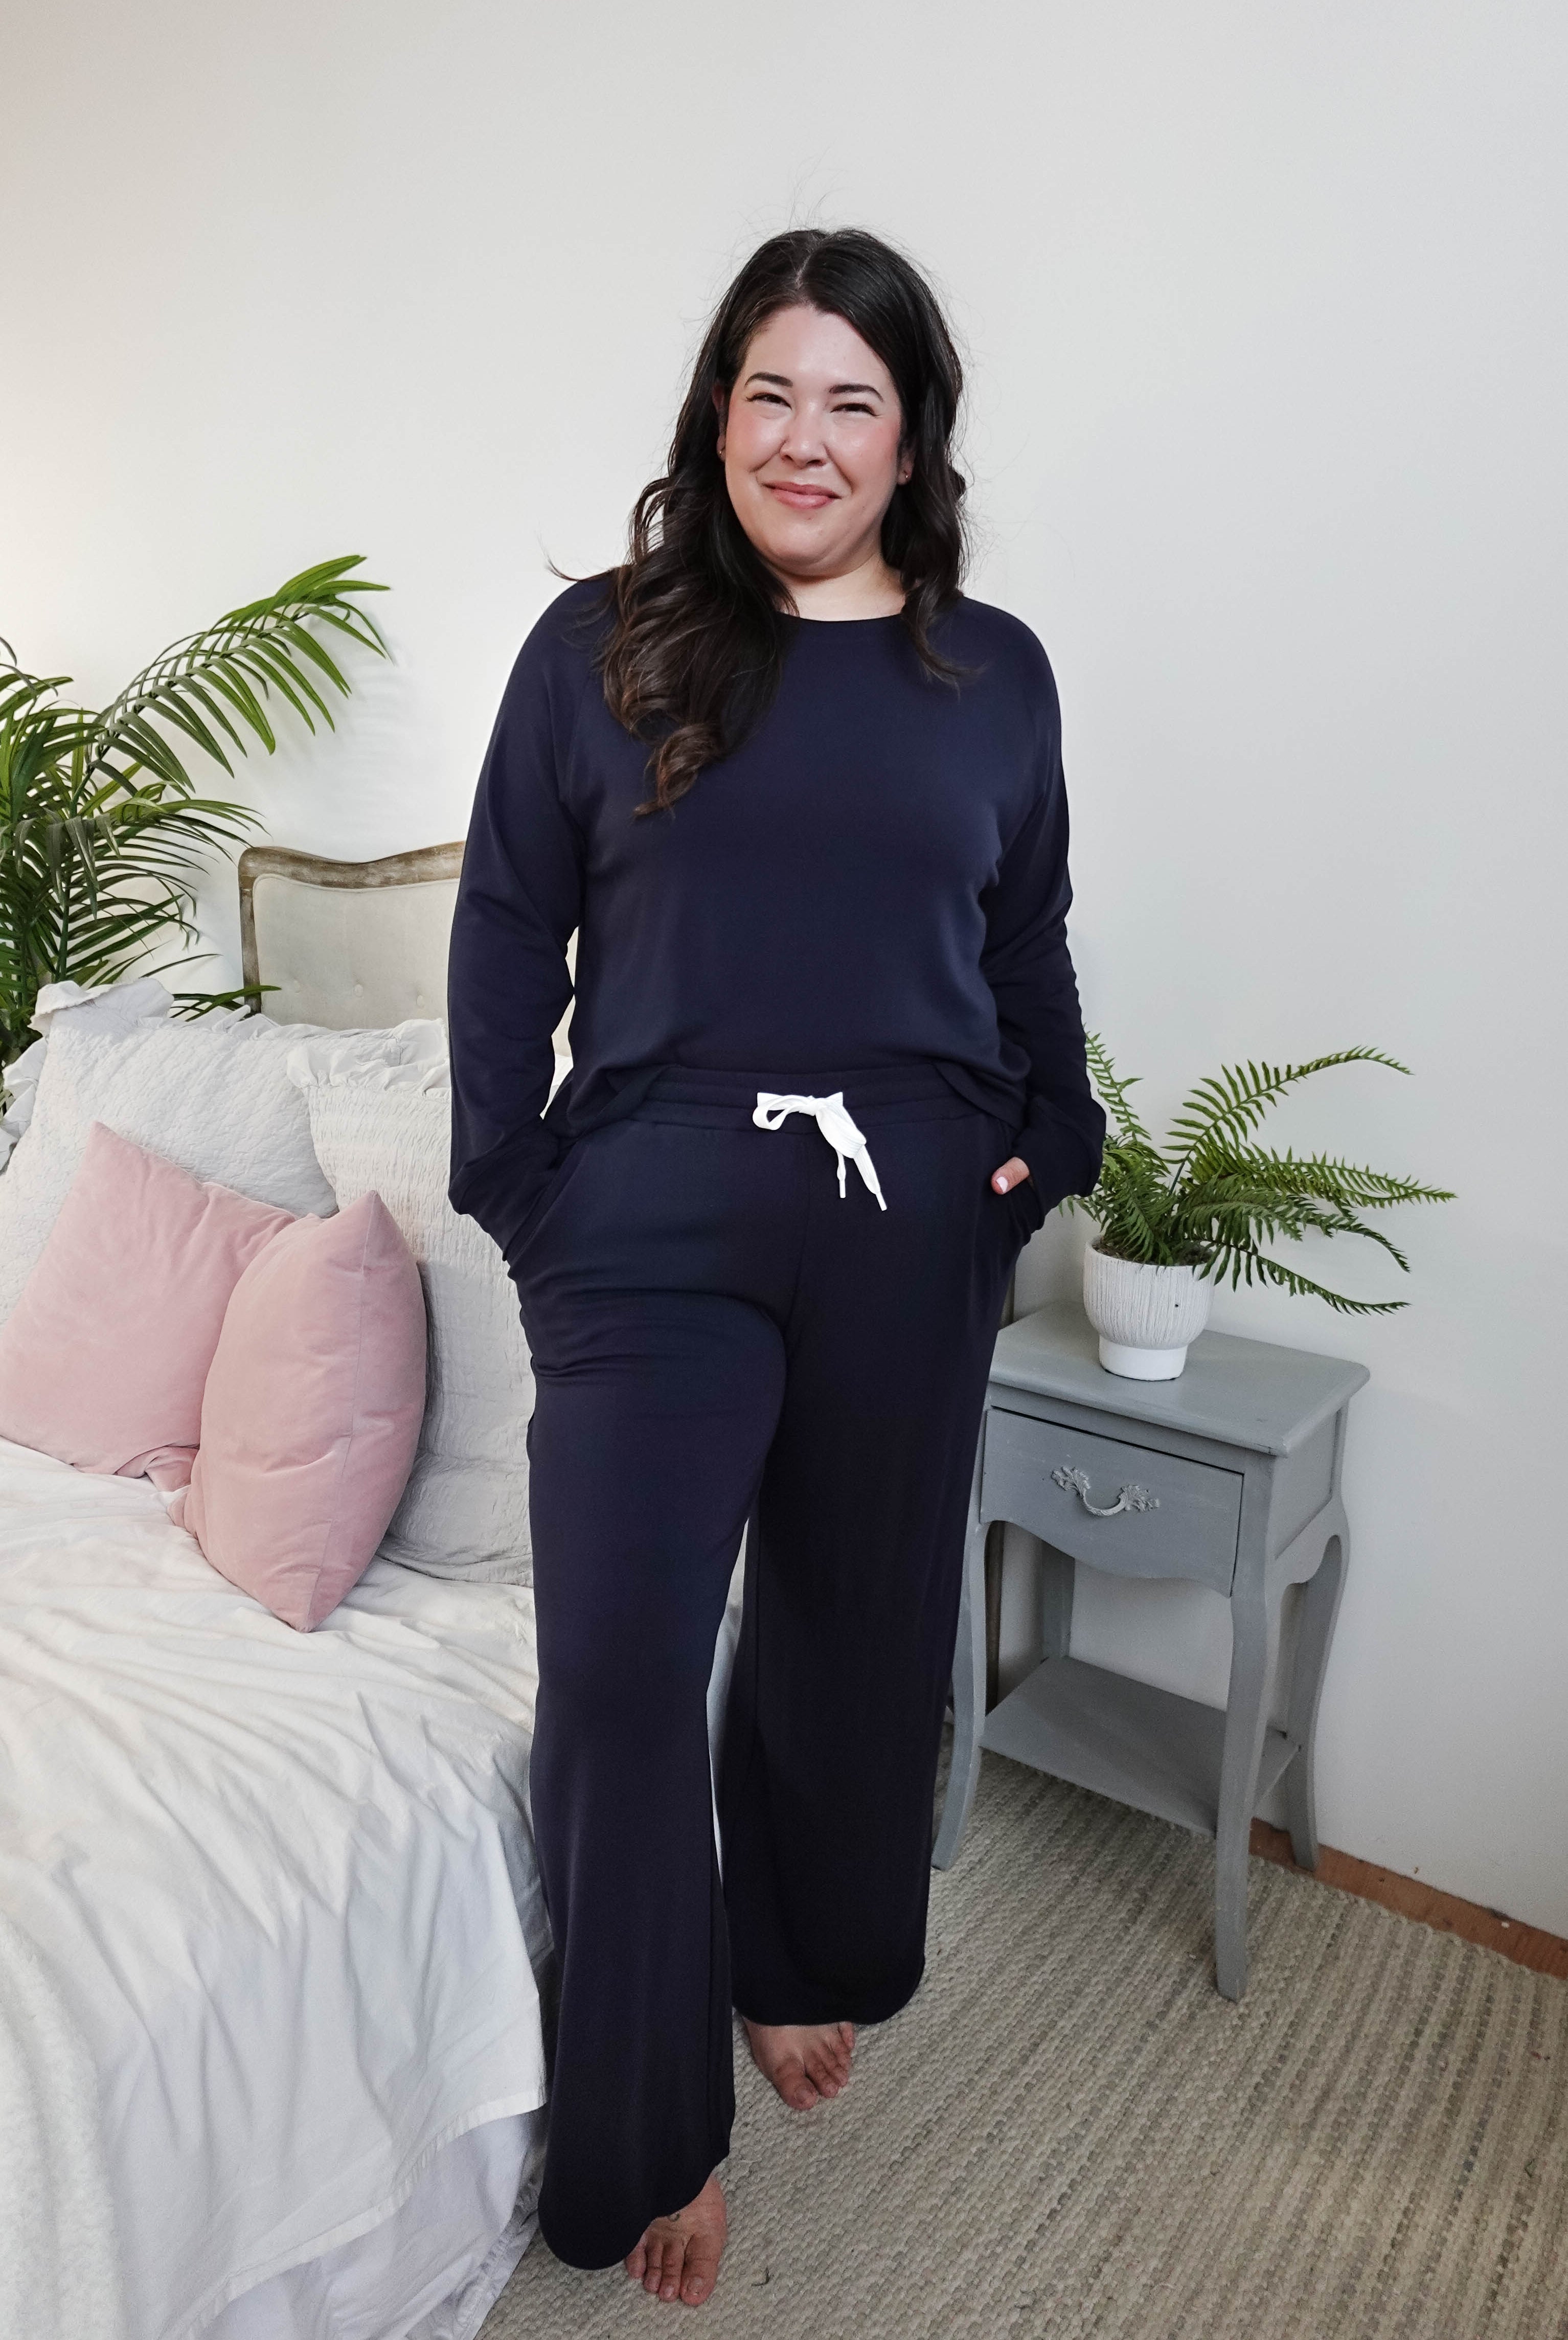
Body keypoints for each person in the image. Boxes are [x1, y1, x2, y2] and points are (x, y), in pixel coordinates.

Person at [447, 226, 1104, 2307]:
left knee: (849, 1620)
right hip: (644, 1211)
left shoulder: (988, 673)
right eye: (767, 390)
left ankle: (795, 1954)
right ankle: (647, 2123)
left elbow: (1021, 943)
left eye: (850, 400)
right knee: (627, 1666)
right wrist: (513, 1178)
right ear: (714, 411)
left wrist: (1042, 1149)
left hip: (908, 1208)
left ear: (909, 444)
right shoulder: (604, 642)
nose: (801, 437)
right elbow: (496, 925)